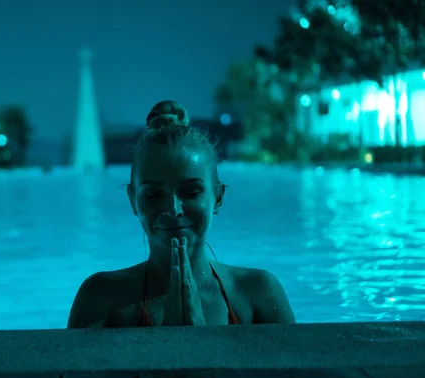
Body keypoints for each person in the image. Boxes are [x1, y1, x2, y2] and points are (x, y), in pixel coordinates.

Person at [68, 100, 295, 329]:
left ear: (218, 197)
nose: (173, 209)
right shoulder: (101, 298)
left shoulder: (257, 293)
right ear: (133, 200)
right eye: (154, 194)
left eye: (191, 191)